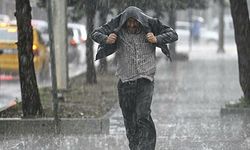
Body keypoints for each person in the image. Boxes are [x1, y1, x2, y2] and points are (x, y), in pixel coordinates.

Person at [91, 6, 178, 150]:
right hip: (125, 82)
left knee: (143, 116)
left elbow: (173, 34)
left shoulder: (150, 24)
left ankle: (147, 147)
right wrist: (106, 39)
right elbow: (95, 33)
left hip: (145, 80)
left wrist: (156, 38)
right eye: (129, 22)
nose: (131, 25)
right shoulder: (117, 23)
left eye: (134, 22)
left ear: (140, 20)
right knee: (130, 120)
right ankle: (135, 146)